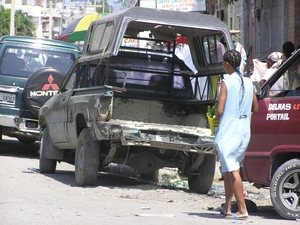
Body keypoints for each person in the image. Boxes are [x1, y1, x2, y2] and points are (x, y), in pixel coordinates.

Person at [214, 49, 259, 220]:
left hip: (229, 131)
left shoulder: (226, 82)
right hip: (243, 131)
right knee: (229, 169)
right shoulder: (249, 82)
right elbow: (255, 108)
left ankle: (242, 209)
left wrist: (217, 115)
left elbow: (220, 109)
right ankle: (227, 207)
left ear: (227, 64)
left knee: (233, 171)